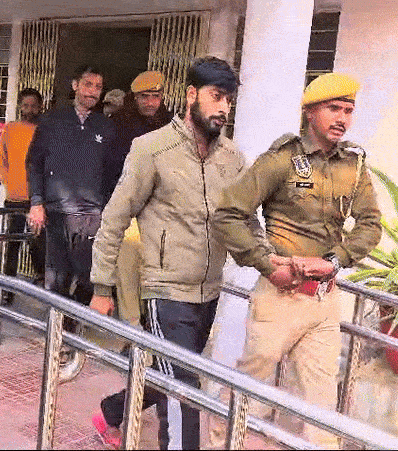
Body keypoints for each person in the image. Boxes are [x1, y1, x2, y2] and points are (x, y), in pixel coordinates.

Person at [208, 73, 383, 448]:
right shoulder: (282, 160)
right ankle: (219, 443)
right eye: (333, 108)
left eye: (348, 110)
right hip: (280, 297)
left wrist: (335, 261)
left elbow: (370, 225)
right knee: (248, 388)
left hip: (324, 301)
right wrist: (266, 263)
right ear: (310, 112)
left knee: (321, 405)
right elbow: (228, 214)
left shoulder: (353, 166)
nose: (342, 118)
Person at [88, 57, 251, 450]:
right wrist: (102, 287)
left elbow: (244, 219)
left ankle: (112, 411)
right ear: (192, 94)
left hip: (208, 292)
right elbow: (114, 218)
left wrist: (271, 262)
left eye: (229, 101)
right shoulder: (152, 148)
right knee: (183, 392)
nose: (224, 108)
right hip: (164, 291)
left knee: (171, 374)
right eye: (216, 96)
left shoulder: (232, 158)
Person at [27, 64, 117, 374]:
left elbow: (113, 173)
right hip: (57, 213)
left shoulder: (106, 127)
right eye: (88, 84)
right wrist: (36, 202)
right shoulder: (52, 121)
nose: (93, 91)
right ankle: (59, 340)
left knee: (90, 280)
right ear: (76, 85)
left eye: (98, 87)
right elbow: (34, 163)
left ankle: (71, 328)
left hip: (92, 216)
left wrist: (109, 210)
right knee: (56, 279)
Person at [106, 70, 174, 326]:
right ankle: (132, 330)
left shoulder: (172, 126)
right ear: (134, 98)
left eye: (155, 96)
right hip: (129, 213)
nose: (150, 102)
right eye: (144, 97)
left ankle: (153, 328)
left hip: (161, 214)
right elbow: (110, 171)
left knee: (156, 275)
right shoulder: (118, 126)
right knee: (127, 275)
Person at [0, 87, 45, 302]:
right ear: (20, 107)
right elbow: (2, 159)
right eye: (25, 105)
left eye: (33, 106)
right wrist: (9, 183)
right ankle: (7, 289)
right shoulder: (11, 129)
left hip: (37, 200)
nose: (29, 109)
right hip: (14, 198)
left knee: (38, 245)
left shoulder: (44, 131)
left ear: (40, 107)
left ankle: (44, 286)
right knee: (12, 245)